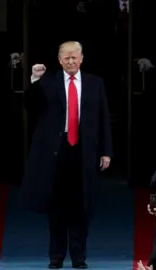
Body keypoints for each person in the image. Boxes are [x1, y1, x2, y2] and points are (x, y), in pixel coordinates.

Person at [19, 41, 113, 269]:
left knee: (81, 208)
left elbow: (104, 119)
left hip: (84, 151)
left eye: (74, 58)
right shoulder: (48, 81)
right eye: (66, 58)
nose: (71, 62)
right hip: (56, 152)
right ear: (59, 60)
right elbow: (31, 106)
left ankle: (79, 258)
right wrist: (33, 80)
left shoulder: (94, 83)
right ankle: (56, 257)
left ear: (81, 58)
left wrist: (106, 151)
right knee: (57, 209)